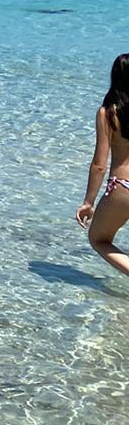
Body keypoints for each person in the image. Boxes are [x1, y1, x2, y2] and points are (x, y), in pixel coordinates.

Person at [76, 54, 129, 277]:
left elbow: (99, 164)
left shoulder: (108, 113)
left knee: (99, 239)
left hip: (123, 187)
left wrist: (88, 202)